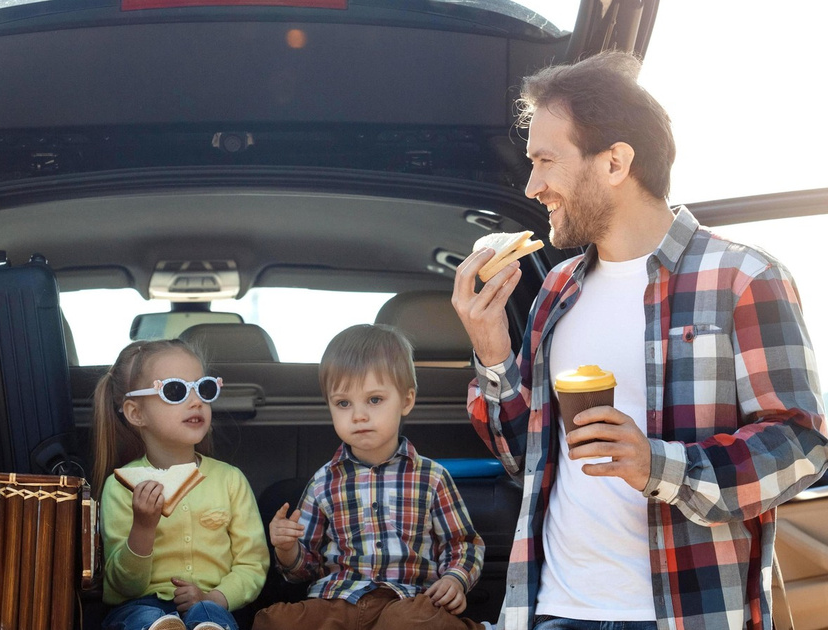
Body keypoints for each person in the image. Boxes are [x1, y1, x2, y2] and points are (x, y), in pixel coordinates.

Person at [450, 51, 827, 630]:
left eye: (546, 160)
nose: (533, 185)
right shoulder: (555, 290)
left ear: (615, 162)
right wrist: (492, 349)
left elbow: (801, 446)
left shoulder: (744, 278)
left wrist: (659, 465)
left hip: (684, 616)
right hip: (552, 611)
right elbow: (524, 459)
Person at [253, 324, 487, 630]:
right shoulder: (324, 481)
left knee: (408, 621)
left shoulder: (431, 477)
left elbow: (464, 544)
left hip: (408, 601)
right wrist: (287, 550)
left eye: (374, 400)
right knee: (274, 621)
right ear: (330, 409)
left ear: (406, 401)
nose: (359, 415)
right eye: (343, 403)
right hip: (338, 602)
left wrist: (455, 579)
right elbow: (305, 570)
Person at [92, 339, 269, 630]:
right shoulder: (121, 485)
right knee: (146, 619)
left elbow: (252, 563)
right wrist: (143, 527)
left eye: (205, 388)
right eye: (175, 391)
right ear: (136, 413)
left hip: (211, 604)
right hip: (140, 606)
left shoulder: (230, 479)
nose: (196, 400)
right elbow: (124, 587)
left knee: (211, 620)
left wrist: (217, 597)